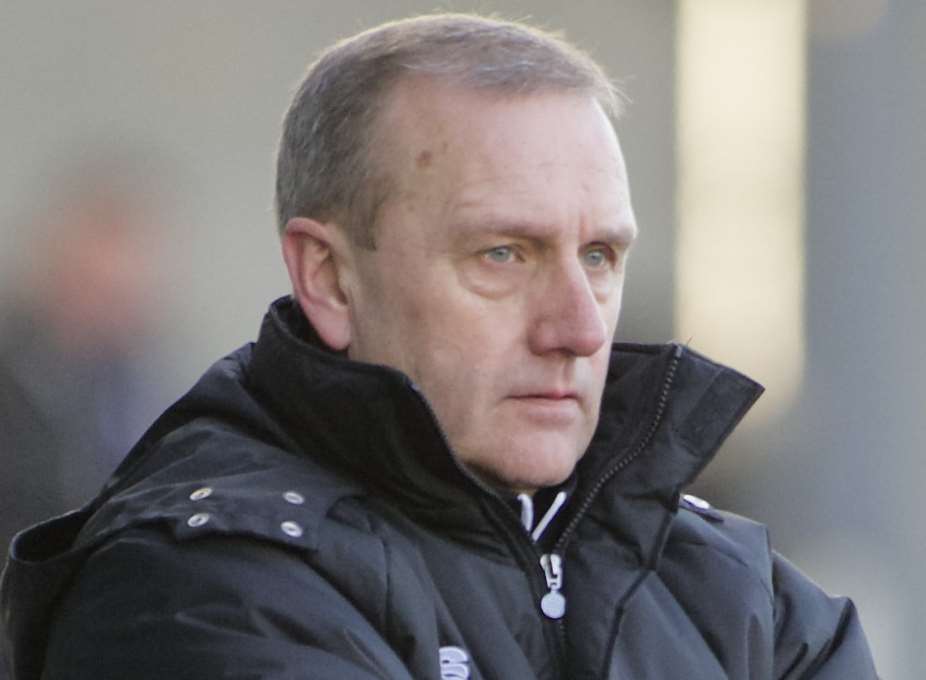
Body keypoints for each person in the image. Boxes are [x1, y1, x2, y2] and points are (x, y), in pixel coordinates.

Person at [0, 14, 877, 679]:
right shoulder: (196, 588)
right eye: (504, 253)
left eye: (601, 256)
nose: (578, 328)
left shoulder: (745, 592)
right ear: (332, 280)